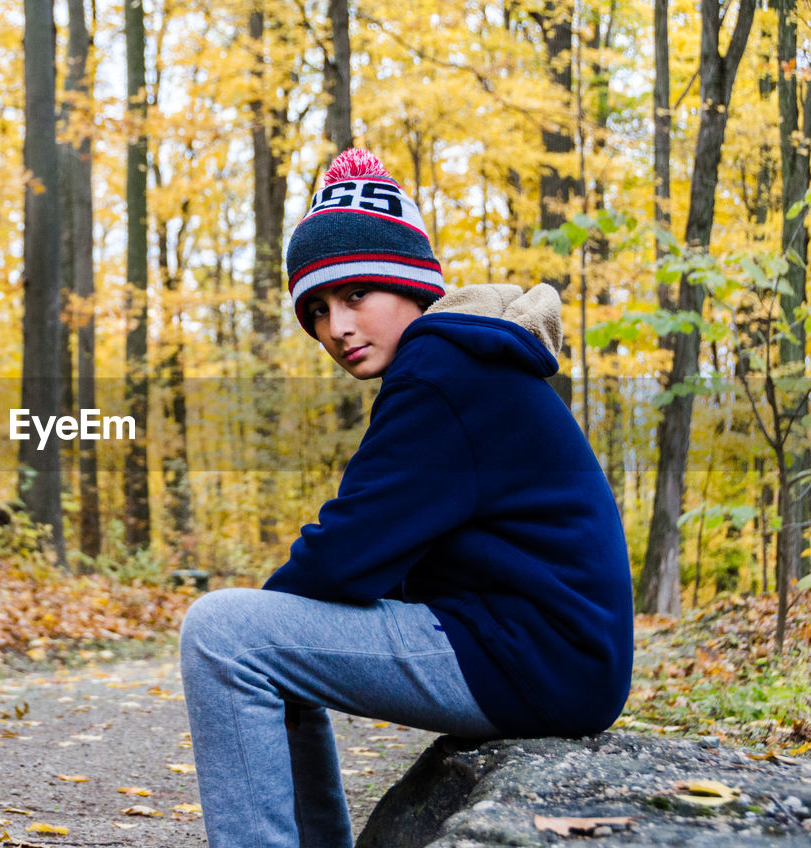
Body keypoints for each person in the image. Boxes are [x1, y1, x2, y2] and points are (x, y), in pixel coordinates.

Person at [178, 148, 634, 848]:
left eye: (356, 295)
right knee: (261, 636)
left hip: (532, 659)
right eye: (319, 310)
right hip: (549, 656)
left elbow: (346, 556)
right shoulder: (465, 361)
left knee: (222, 636)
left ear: (410, 283)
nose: (337, 328)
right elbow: (382, 555)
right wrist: (282, 629)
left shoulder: (440, 375)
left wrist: (270, 621)